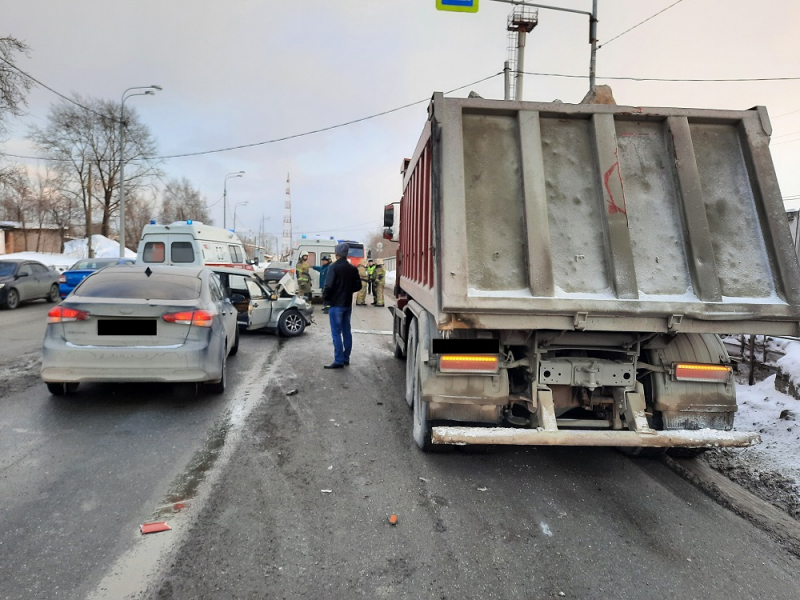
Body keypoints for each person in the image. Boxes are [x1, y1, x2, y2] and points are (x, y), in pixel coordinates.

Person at [322, 243, 362, 369]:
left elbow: (328, 286)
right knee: (346, 332)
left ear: (336, 254)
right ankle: (346, 358)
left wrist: (326, 298)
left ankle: (338, 360)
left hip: (336, 305)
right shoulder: (352, 268)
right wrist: (347, 290)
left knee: (336, 333)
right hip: (347, 305)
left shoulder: (333, 267)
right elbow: (358, 286)